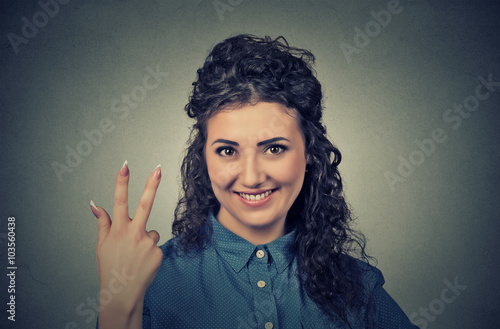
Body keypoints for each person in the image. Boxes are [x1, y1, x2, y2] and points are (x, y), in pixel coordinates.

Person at [91, 34, 417, 328]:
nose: (251, 177)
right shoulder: (150, 283)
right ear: (203, 156)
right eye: (227, 150)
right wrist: (119, 303)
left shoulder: (358, 287)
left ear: (309, 154)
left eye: (274, 148)